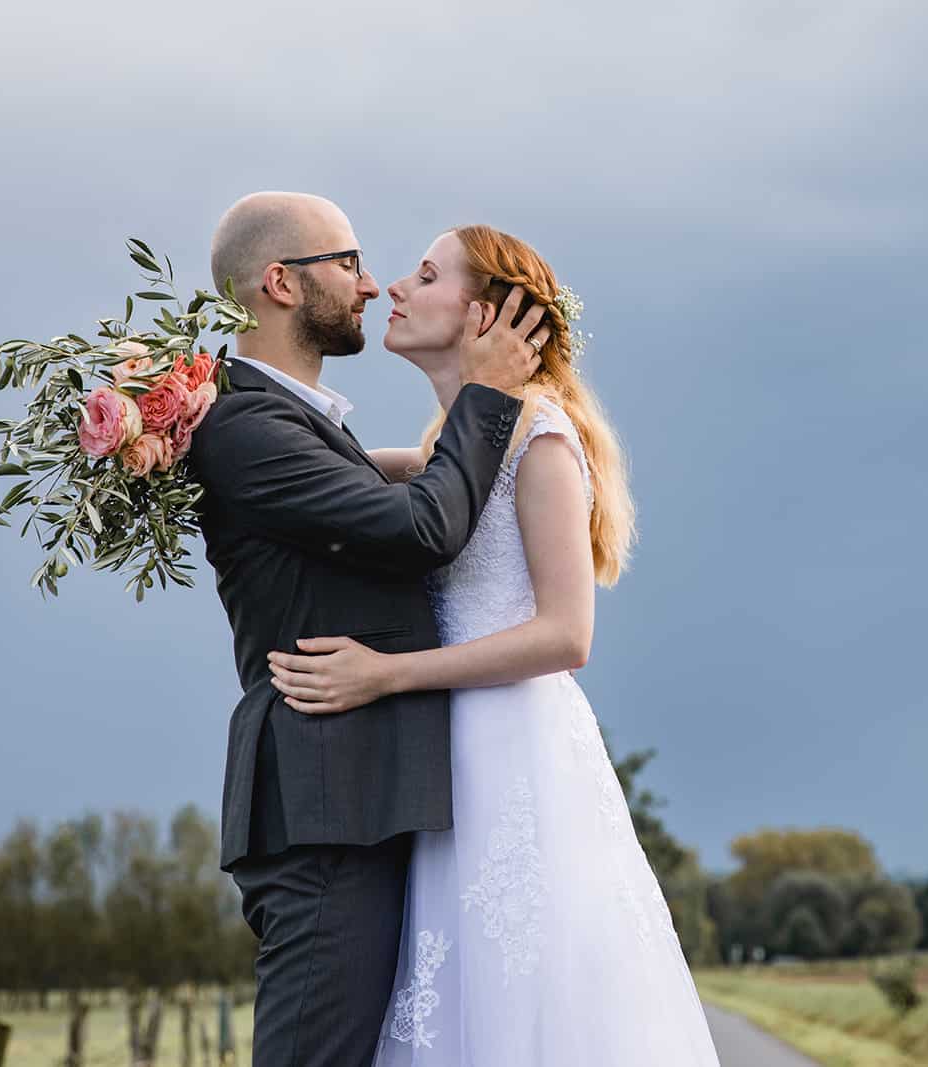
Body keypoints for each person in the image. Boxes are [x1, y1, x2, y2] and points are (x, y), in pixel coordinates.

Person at [266, 226, 722, 1065]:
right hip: (452, 762)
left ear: (485, 312)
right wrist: (190, 436)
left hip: (516, 762)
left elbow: (566, 634)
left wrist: (386, 674)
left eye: (425, 274)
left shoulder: (542, 439)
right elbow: (334, 472)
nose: (393, 287)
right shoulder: (453, 442)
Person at [186, 193, 547, 1067]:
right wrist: (491, 396)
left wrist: (436, 448)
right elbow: (423, 530)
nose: (369, 282)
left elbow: (390, 489)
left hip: (356, 798)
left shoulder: (290, 423)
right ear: (280, 282)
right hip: (324, 805)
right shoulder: (245, 426)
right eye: (345, 262)